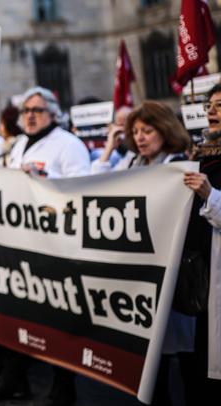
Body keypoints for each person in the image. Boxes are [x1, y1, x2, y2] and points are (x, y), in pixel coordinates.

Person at [0, 86, 90, 405]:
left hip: (55, 246)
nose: (30, 115)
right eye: (26, 110)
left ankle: (63, 386)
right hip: (20, 243)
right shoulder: (17, 145)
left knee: (58, 319)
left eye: (37, 110)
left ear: (54, 113)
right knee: (16, 312)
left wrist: (43, 183)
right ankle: (15, 378)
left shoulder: (69, 145)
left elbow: (82, 191)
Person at [96, 101, 195, 405]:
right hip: (141, 272)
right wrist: (107, 152)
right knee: (153, 360)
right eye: (135, 131)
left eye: (147, 131)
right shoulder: (131, 164)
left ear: (164, 130)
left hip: (174, 271)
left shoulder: (179, 164)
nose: (140, 137)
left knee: (182, 355)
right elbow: (96, 185)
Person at [182, 84, 221, 396]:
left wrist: (211, 196)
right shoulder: (201, 153)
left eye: (220, 106)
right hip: (202, 272)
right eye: (210, 104)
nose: (210, 111)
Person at [90, 105, 134, 173]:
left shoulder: (133, 155)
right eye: (118, 125)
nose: (120, 130)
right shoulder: (121, 156)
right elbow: (98, 175)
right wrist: (110, 146)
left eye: (123, 126)